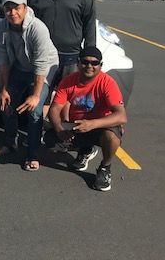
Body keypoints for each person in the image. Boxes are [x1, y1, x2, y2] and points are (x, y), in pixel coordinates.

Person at [0, 0, 59, 171]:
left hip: (43, 69)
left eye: (17, 8)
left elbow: (41, 64)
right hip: (21, 67)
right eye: (8, 9)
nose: (13, 13)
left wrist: (36, 95)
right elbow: (3, 60)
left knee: (35, 111)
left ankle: (33, 153)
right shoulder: (2, 27)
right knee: (6, 102)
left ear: (25, 8)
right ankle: (10, 141)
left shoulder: (38, 28)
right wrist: (3, 88)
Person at [47, 47, 127, 192]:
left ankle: (105, 168)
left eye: (94, 63)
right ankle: (86, 150)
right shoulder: (69, 81)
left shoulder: (107, 83)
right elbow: (54, 109)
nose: (89, 66)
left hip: (99, 126)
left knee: (112, 137)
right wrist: (60, 130)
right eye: (85, 62)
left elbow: (121, 116)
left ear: (100, 65)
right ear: (78, 63)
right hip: (77, 125)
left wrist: (93, 124)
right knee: (49, 140)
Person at [29, 0, 96, 86]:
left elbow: (89, 23)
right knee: (42, 99)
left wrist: (90, 53)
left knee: (68, 101)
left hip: (71, 56)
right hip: (43, 55)